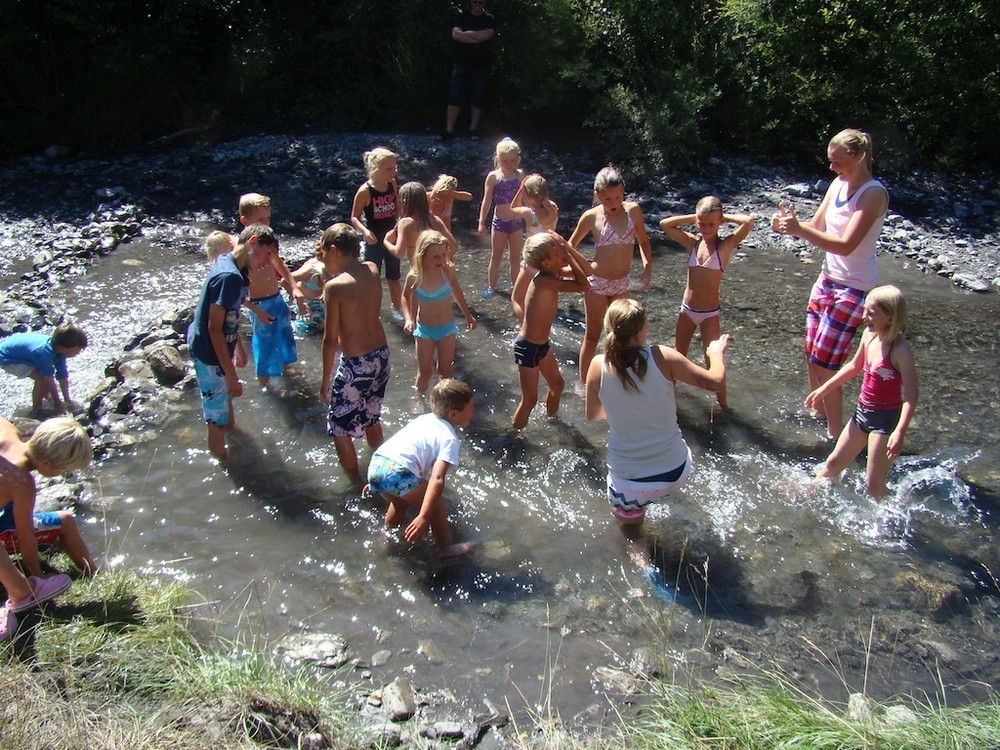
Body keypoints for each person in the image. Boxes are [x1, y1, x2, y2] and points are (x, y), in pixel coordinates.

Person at [585, 298, 728, 596]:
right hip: (677, 469)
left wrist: (624, 407)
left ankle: (649, 573)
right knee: (667, 478)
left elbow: (593, 415)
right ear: (640, 333)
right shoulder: (664, 357)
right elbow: (715, 382)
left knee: (632, 532)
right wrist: (715, 352)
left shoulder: (598, 365)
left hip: (631, 483)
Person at [771, 129, 889, 439]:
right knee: (811, 353)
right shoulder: (837, 184)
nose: (832, 168)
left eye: (837, 162)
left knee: (826, 365)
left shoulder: (873, 194)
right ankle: (818, 413)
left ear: (859, 157)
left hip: (855, 288)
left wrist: (800, 230)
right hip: (827, 280)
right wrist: (787, 227)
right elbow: (816, 228)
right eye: (830, 162)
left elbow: (846, 245)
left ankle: (835, 437)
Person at [805, 285, 917, 500]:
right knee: (833, 463)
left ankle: (895, 514)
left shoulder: (900, 351)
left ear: (891, 319)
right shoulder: (869, 335)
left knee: (873, 485)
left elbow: (911, 396)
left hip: (884, 422)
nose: (864, 316)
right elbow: (854, 366)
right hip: (862, 413)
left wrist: (899, 432)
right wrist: (823, 389)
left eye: (871, 313)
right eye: (864, 310)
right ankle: (809, 493)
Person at [0, 418, 93, 640]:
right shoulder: (22, 482)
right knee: (66, 520)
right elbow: (25, 536)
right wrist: (37, 573)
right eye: (64, 469)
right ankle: (90, 573)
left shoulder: (7, 432)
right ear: (46, 464)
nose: (63, 474)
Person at [188, 224, 275, 458]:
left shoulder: (235, 267)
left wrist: (237, 346)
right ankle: (225, 465)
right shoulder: (229, 276)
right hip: (208, 353)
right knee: (215, 418)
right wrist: (231, 375)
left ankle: (234, 438)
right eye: (267, 254)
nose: (268, 262)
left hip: (217, 347)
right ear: (253, 242)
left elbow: (229, 312)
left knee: (224, 403)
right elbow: (214, 328)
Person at [659, 197, 754, 409]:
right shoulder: (692, 242)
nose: (706, 228)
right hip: (687, 310)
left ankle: (723, 407)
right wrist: (696, 216)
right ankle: (667, 402)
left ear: (720, 222)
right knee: (677, 356)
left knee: (713, 361)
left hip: (710, 313)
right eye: (702, 223)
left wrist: (722, 216)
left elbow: (748, 222)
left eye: (711, 224)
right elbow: (665, 225)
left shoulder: (725, 246)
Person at [366, 378, 475, 557]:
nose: (473, 412)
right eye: (470, 407)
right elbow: (437, 479)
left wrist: (380, 476)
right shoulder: (448, 438)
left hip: (378, 465)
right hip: (398, 472)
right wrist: (424, 516)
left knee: (399, 502)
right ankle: (445, 549)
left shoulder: (423, 420)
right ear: (453, 414)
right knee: (436, 503)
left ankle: (386, 541)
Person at [568, 166, 653, 392]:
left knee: (623, 334)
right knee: (593, 335)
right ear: (597, 196)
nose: (614, 202)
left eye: (618, 197)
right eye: (607, 199)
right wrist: (579, 272)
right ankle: (584, 384)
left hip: (621, 283)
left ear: (624, 192)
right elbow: (570, 247)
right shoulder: (591, 217)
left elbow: (643, 241)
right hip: (596, 282)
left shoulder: (633, 211)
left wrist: (647, 267)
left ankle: (620, 381)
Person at [318, 224, 391, 481]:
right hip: (381, 357)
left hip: (357, 364)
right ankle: (383, 472)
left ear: (335, 250)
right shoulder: (372, 269)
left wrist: (325, 381)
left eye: (324, 253)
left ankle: (353, 482)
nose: (323, 259)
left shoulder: (334, 288)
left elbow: (330, 340)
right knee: (371, 414)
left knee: (338, 427)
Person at [512, 231, 590, 430]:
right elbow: (584, 285)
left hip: (542, 346)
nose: (561, 252)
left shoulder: (553, 274)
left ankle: (552, 420)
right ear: (545, 263)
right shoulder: (544, 281)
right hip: (528, 347)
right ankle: (514, 436)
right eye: (557, 251)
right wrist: (569, 254)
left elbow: (587, 272)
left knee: (558, 386)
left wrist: (566, 248)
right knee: (529, 400)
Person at [238, 193, 305, 388]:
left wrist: (293, 286)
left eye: (268, 218)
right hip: (259, 304)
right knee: (265, 343)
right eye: (260, 219)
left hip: (277, 298)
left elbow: (279, 263)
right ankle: (264, 381)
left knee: (285, 334)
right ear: (244, 220)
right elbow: (237, 292)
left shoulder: (267, 241)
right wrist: (255, 311)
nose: (266, 223)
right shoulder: (243, 251)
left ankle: (285, 367)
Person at [401, 230, 477, 394]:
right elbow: (405, 297)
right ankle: (419, 401)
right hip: (424, 330)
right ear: (422, 255)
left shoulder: (447, 271)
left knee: (445, 370)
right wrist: (408, 319)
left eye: (444, 255)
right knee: (425, 372)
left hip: (447, 329)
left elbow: (457, 292)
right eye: (436, 257)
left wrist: (468, 315)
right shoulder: (415, 276)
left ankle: (444, 404)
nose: (441, 260)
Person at [350, 148, 402, 319]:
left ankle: (397, 309)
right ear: (375, 168)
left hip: (392, 238)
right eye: (389, 169)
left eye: (395, 168)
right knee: (372, 278)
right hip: (374, 240)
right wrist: (365, 232)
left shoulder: (392, 184)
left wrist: (399, 225)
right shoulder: (365, 191)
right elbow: (354, 217)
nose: (393, 172)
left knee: (394, 277)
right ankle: (371, 311)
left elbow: (397, 208)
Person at [439, 0, 496, 141]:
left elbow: (487, 35)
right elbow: (456, 35)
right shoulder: (462, 17)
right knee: (454, 96)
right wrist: (477, 37)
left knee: (478, 97)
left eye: (481, 2)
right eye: (475, 2)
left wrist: (467, 34)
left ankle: (473, 129)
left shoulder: (489, 19)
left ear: (485, 4)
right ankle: (449, 130)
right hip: (461, 64)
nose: (477, 5)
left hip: (481, 65)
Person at [0, 323, 88, 415]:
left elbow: (62, 376)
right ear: (62, 348)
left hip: (23, 350)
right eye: (77, 350)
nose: (78, 352)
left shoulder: (60, 351)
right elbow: (48, 379)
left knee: (44, 377)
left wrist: (67, 399)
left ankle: (47, 397)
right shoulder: (45, 354)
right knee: (41, 379)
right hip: (7, 357)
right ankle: (37, 409)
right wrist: (57, 403)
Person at [507, 173, 559, 322]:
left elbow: (512, 209)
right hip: (550, 259)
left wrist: (520, 189)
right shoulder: (554, 208)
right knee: (545, 299)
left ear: (527, 195)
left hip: (533, 259)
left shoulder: (529, 213)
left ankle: (527, 328)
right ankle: (545, 329)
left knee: (517, 298)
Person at [478, 137, 525, 298]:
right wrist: (481, 222)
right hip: (499, 222)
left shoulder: (520, 175)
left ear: (517, 159)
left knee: (515, 257)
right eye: (505, 160)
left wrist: (533, 218)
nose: (509, 164)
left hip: (516, 221)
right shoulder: (494, 177)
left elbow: (526, 199)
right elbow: (487, 200)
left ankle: (516, 286)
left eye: (512, 160)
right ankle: (491, 286)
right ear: (498, 159)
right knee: (496, 256)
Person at [384, 181, 459, 262]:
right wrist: (440, 259)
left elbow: (399, 253)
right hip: (438, 272)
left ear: (404, 201)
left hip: (418, 272)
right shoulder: (435, 220)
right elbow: (454, 247)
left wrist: (386, 241)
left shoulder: (405, 223)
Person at [290, 253, 332, 335]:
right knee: (303, 329)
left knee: (327, 330)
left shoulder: (337, 271)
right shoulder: (309, 273)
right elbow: (285, 281)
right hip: (305, 303)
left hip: (321, 304)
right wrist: (300, 302)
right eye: (325, 280)